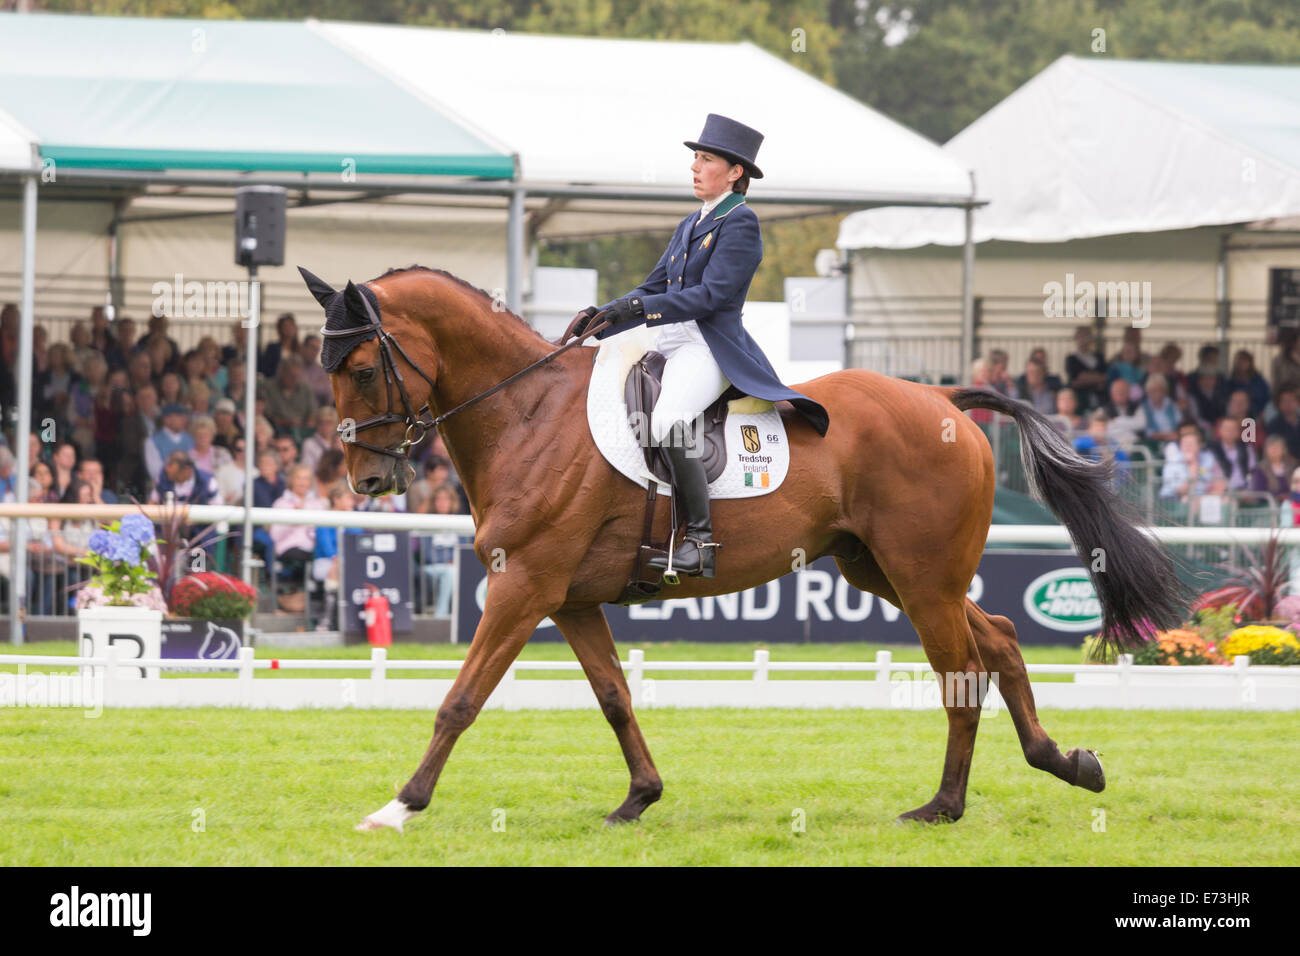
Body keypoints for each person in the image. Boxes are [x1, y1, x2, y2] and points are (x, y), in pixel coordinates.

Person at [571, 113, 829, 579]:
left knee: (669, 420)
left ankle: (700, 540)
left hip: (708, 345)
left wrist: (639, 313)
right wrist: (603, 317)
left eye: (706, 158)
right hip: (669, 342)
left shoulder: (740, 223)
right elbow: (650, 287)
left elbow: (710, 298)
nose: (694, 166)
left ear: (735, 172)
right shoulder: (691, 223)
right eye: (694, 157)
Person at [1160, 426, 1226, 501]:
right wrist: (1193, 467)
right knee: (1187, 500)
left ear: (1199, 446)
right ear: (1180, 446)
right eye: (1185, 443)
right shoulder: (1173, 462)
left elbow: (1220, 485)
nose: (1188, 447)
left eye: (1191, 444)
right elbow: (1181, 491)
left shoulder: (1208, 459)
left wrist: (1209, 496)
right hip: (1173, 501)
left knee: (1226, 499)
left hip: (1202, 497)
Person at [1207, 417, 1258, 492]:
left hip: (1244, 491)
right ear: (1220, 430)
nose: (1230, 431)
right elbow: (1205, 472)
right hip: (1221, 492)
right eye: (1227, 428)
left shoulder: (1247, 448)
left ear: (1238, 431)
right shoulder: (1210, 450)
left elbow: (1252, 472)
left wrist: (1249, 489)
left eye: (1233, 428)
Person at [1064, 325, 1107, 412]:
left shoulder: (1099, 357)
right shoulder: (1071, 359)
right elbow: (1074, 380)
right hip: (1080, 401)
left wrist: (1085, 378)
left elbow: (1104, 377)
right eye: (1081, 337)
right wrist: (1096, 379)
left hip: (1099, 399)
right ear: (1076, 339)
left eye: (1087, 337)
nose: (1084, 340)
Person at [1248, 435, 1294, 502]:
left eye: (1277, 447)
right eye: (1271, 447)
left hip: (1291, 503)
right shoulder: (1259, 469)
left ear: (1284, 450)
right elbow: (1259, 492)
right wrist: (1278, 497)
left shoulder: (1291, 467)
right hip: (1269, 506)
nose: (1274, 450)